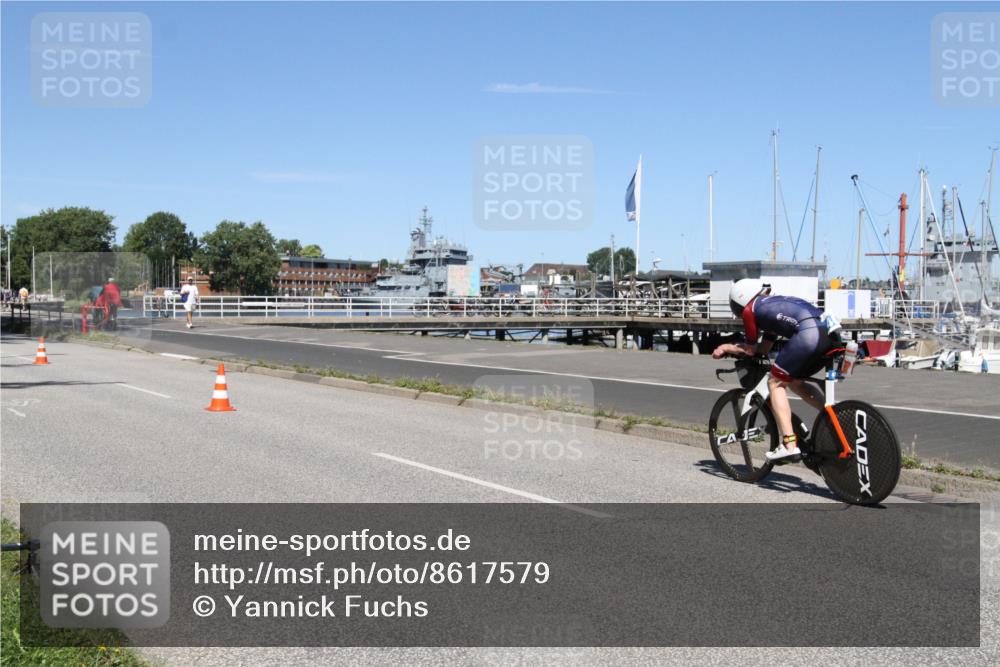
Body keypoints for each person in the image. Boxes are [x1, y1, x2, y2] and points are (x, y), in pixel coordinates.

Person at [712, 279, 836, 462]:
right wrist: (744, 347)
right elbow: (763, 348)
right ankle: (833, 417)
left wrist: (727, 347)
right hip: (828, 333)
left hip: (808, 335)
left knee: (774, 383)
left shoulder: (750, 309)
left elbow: (751, 350)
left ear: (740, 299)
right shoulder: (771, 305)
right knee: (793, 380)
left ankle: (789, 445)